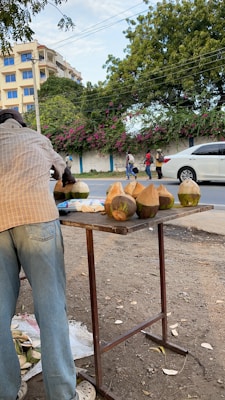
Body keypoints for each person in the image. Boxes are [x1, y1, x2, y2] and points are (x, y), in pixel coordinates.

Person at [0, 109, 96, 400]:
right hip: (37, 219)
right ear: (20, 123)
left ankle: (7, 391)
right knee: (51, 308)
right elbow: (67, 176)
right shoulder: (34, 137)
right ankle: (63, 395)